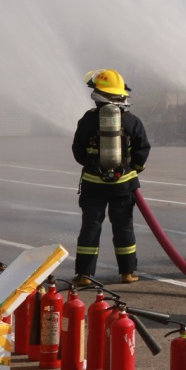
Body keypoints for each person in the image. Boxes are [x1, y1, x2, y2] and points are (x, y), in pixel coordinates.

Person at [71, 69, 151, 286]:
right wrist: (131, 170)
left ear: (97, 96)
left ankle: (84, 275)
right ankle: (127, 273)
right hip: (123, 187)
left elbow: (78, 152)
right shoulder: (132, 121)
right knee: (124, 228)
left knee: (90, 227)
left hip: (93, 186)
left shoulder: (87, 120)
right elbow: (143, 150)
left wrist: (93, 166)